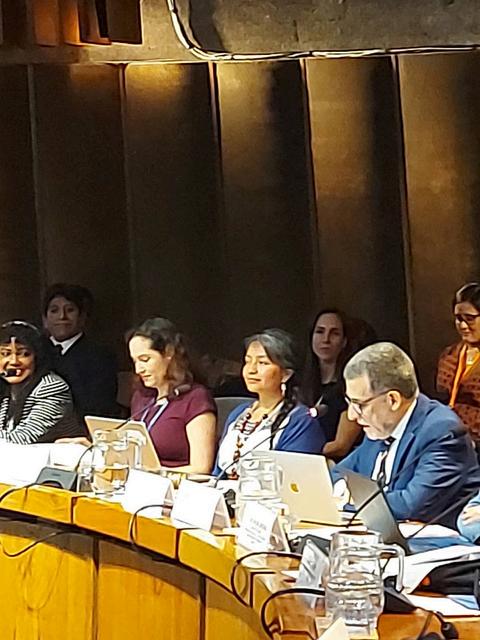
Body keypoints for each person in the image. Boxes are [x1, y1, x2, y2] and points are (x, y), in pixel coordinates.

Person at [334, 342, 479, 526]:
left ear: (393, 400)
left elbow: (411, 506)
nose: (352, 416)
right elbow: (336, 474)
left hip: (436, 540)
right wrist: (342, 492)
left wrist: (348, 501)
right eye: (349, 402)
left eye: (359, 405)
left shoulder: (442, 431)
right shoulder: (378, 429)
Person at [213, 328, 326, 477]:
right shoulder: (238, 414)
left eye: (262, 363)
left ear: (286, 374)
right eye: (248, 361)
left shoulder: (301, 422)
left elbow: (294, 479)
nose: (251, 370)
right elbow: (217, 473)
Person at [128, 317, 216, 472]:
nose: (138, 370)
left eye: (145, 360)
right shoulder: (141, 397)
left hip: (174, 483)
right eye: (135, 361)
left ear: (169, 353)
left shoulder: (195, 398)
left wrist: (157, 473)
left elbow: (201, 468)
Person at [301, 309, 375, 460]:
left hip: (337, 466)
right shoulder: (300, 384)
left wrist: (296, 451)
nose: (326, 339)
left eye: (334, 333)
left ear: (344, 341)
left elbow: (340, 446)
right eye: (320, 332)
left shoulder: (351, 388)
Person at [42, 283, 118, 421]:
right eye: (54, 311)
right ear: (45, 320)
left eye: (70, 310)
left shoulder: (100, 356)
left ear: (82, 317)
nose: (62, 316)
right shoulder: (35, 352)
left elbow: (100, 407)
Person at [0, 321, 82, 443]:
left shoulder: (52, 387)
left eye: (24, 354)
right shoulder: (7, 387)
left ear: (37, 357)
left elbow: (21, 439)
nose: (14, 361)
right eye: (5, 354)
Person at [437, 282, 480, 449]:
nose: (463, 325)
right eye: (458, 319)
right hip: (448, 437)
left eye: (469, 319)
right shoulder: (449, 355)